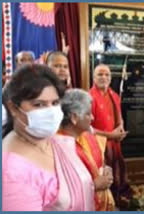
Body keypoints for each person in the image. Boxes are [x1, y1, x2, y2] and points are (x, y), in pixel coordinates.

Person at [2, 64, 95, 211]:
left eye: (55, 103)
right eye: (39, 105)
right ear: (13, 108)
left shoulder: (53, 140)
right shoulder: (10, 172)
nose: (50, 111)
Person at [59, 89, 115, 211]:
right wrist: (94, 186)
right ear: (74, 117)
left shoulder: (87, 136)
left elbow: (100, 163)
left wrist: (106, 170)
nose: (93, 118)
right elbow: (59, 192)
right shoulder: (58, 146)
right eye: (88, 114)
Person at [89, 64, 128, 205]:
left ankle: (116, 203)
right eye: (100, 74)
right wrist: (110, 135)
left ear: (111, 79)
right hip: (98, 147)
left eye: (107, 75)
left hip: (115, 145)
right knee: (103, 181)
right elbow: (87, 129)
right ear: (93, 78)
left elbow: (120, 118)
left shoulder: (115, 96)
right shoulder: (89, 97)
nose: (104, 77)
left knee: (116, 178)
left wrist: (121, 129)